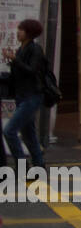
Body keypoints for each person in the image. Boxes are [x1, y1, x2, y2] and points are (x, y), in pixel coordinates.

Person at [2, 19, 49, 170]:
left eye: (21, 30)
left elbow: (31, 70)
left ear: (29, 32)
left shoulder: (35, 49)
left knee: (9, 131)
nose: (18, 32)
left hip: (32, 96)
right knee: (29, 135)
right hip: (22, 96)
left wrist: (15, 60)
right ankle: (39, 164)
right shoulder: (20, 49)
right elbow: (16, 75)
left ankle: (22, 166)